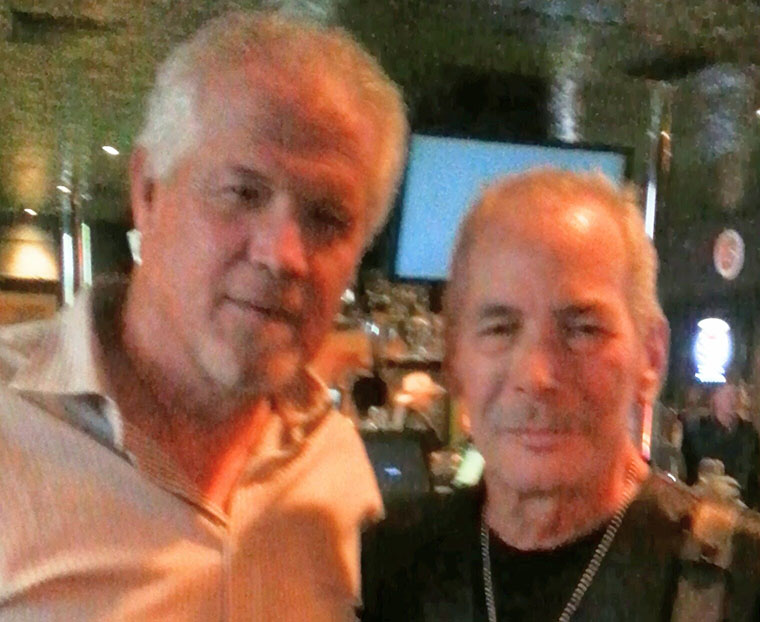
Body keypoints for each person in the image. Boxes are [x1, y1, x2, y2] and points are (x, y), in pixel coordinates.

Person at [0, 11, 407, 621]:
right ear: (148, 192)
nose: (282, 255)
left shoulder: (335, 465)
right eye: (243, 192)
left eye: (327, 219)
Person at [362, 169, 760, 621]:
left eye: (583, 329)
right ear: (454, 361)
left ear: (650, 358)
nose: (537, 376)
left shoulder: (739, 583)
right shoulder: (391, 566)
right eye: (500, 329)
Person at [682, 380, 760, 509]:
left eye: (734, 395)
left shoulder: (749, 434)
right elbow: (688, 476)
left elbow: (754, 479)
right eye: (726, 395)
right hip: (704, 507)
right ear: (715, 398)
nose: (732, 401)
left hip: (741, 510)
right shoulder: (696, 431)